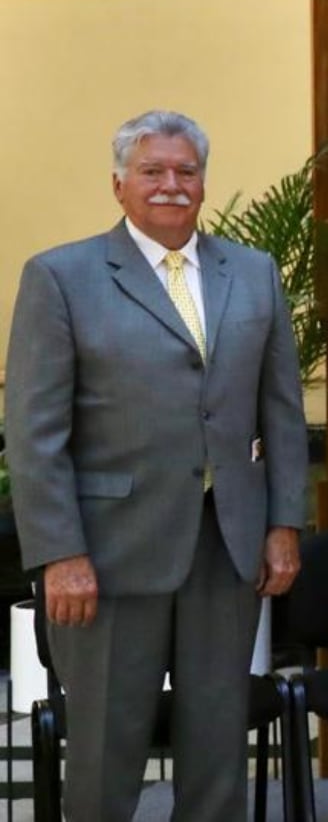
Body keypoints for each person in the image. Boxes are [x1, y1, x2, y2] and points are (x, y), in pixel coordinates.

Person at [4, 109, 307, 820]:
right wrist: (59, 553)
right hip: (106, 557)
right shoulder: (61, 276)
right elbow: (34, 431)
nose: (171, 184)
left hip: (225, 547)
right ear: (118, 185)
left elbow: (282, 413)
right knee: (107, 760)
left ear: (203, 183)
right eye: (152, 171)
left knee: (217, 759)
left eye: (186, 171)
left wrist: (284, 523)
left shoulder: (254, 272)